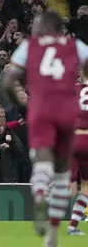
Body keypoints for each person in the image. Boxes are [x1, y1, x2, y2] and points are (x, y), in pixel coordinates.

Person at [3, 11, 88, 246]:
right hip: (67, 108)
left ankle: (40, 192)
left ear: (40, 30)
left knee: (41, 156)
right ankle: (52, 234)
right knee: (62, 173)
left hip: (41, 106)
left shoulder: (29, 46)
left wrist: (23, 105)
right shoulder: (76, 45)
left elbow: (9, 82)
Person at [67, 68, 88, 235]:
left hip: (73, 140)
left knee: (72, 186)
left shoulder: (72, 90)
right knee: (86, 187)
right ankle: (73, 225)